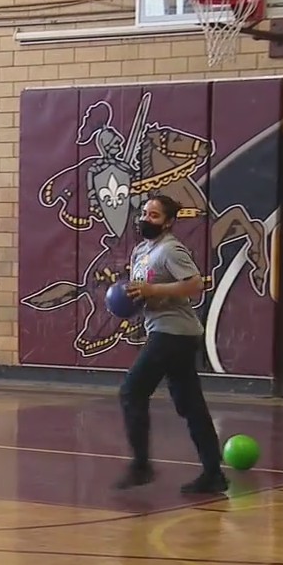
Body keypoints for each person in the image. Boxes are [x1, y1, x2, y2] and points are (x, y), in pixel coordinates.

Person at [115, 194, 228, 495]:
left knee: (132, 391)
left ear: (168, 222)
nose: (146, 219)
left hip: (173, 332)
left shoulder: (171, 249)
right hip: (168, 331)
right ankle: (213, 473)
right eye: (144, 213)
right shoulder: (141, 251)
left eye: (154, 215)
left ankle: (141, 466)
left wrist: (153, 290)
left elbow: (195, 284)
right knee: (190, 405)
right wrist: (131, 299)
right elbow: (142, 292)